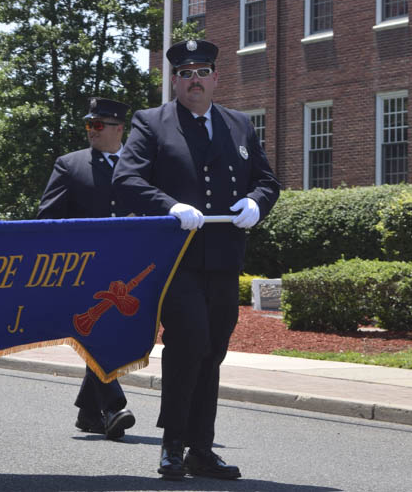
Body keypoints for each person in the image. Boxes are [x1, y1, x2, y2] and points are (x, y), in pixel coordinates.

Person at [112, 39, 279, 481]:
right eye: (185, 73)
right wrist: (168, 205)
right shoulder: (152, 123)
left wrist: (257, 203)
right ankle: (172, 445)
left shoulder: (239, 125)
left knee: (214, 350)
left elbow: (267, 179)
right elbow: (126, 178)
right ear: (174, 80)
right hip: (175, 258)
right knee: (189, 343)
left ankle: (201, 449)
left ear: (216, 78)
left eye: (202, 71)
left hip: (224, 257)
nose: (195, 80)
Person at [37, 97, 136, 441]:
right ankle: (113, 405)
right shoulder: (70, 164)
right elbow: (47, 217)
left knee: (118, 334)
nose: (91, 131)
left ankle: (88, 412)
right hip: (87, 269)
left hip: (132, 267)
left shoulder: (142, 164)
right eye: (88, 125)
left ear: (119, 128)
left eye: (99, 125)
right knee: (100, 333)